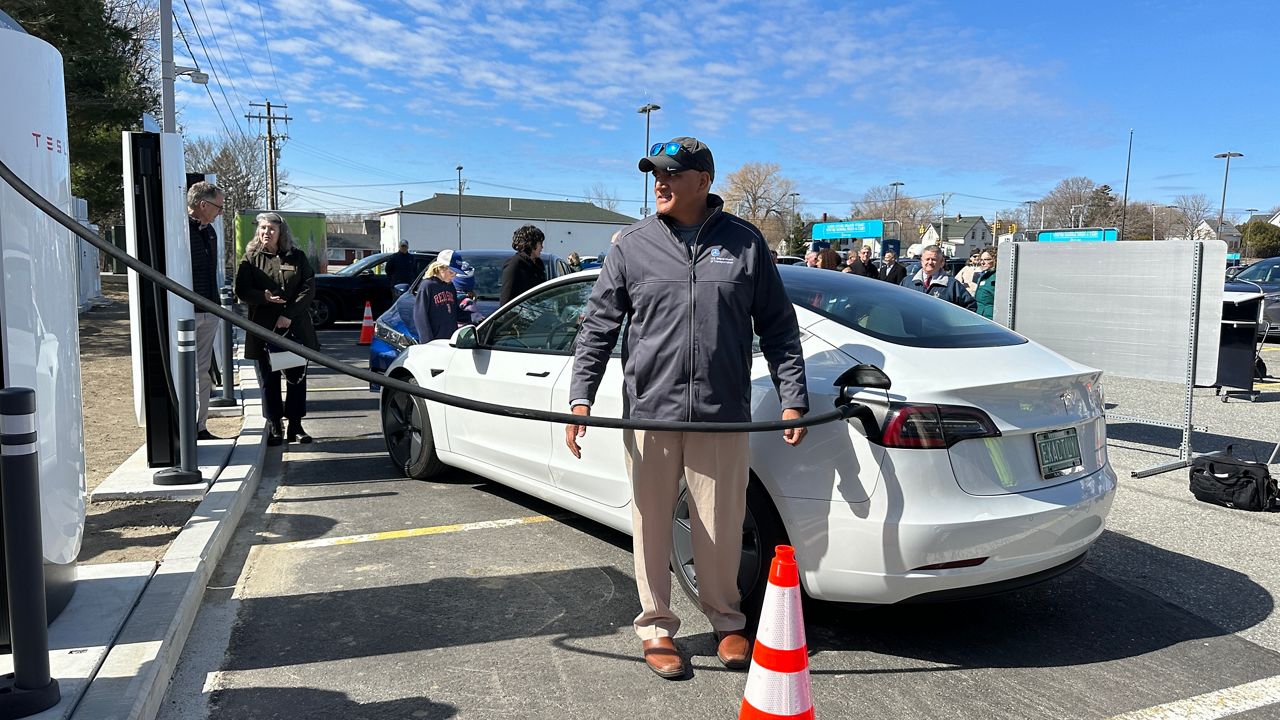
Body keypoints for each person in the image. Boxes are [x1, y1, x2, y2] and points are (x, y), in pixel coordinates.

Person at [567, 136, 809, 680]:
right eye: (656, 174)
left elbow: (778, 328)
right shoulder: (631, 245)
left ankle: (726, 622)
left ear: (703, 181)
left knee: (721, 523)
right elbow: (598, 327)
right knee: (651, 521)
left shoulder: (746, 244)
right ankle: (656, 627)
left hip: (721, 413)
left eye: (672, 174)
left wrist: (793, 398)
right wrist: (581, 396)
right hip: (650, 413)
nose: (660, 183)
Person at [235, 212, 319, 446]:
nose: (266, 232)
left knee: (294, 377)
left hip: (291, 327)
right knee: (269, 379)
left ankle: (295, 425)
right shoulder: (251, 257)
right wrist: (263, 297)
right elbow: (241, 290)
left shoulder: (296, 257)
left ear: (281, 232)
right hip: (264, 327)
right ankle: (274, 424)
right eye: (262, 228)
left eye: (271, 228)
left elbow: (308, 288)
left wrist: (288, 315)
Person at [186, 181, 225, 442]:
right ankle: (185, 425)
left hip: (209, 310)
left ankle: (200, 425)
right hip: (186, 310)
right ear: (203, 204)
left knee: (203, 370)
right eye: (218, 207)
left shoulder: (210, 232)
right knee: (186, 370)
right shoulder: (179, 231)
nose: (220, 212)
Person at [413, 249, 468, 342]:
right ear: (440, 268)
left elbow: (455, 312)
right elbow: (420, 316)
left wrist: (473, 317)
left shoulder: (450, 286)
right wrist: (428, 342)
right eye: (451, 272)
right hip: (434, 343)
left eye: (456, 273)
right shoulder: (427, 285)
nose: (454, 276)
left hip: (449, 341)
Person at [900, 244, 976, 310]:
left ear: (941, 262)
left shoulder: (952, 285)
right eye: (927, 259)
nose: (930, 262)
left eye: (934, 259)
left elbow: (970, 306)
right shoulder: (908, 282)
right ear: (922, 261)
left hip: (940, 326)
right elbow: (898, 303)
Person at [499, 224, 546, 305]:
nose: (542, 247)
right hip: (518, 316)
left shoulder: (538, 265)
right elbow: (506, 301)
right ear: (531, 244)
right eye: (540, 243)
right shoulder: (514, 265)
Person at [974, 246, 997, 319]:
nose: (982, 262)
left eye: (987, 259)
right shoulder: (983, 276)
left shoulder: (997, 277)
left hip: (990, 318)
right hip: (979, 316)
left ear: (995, 260)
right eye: (981, 260)